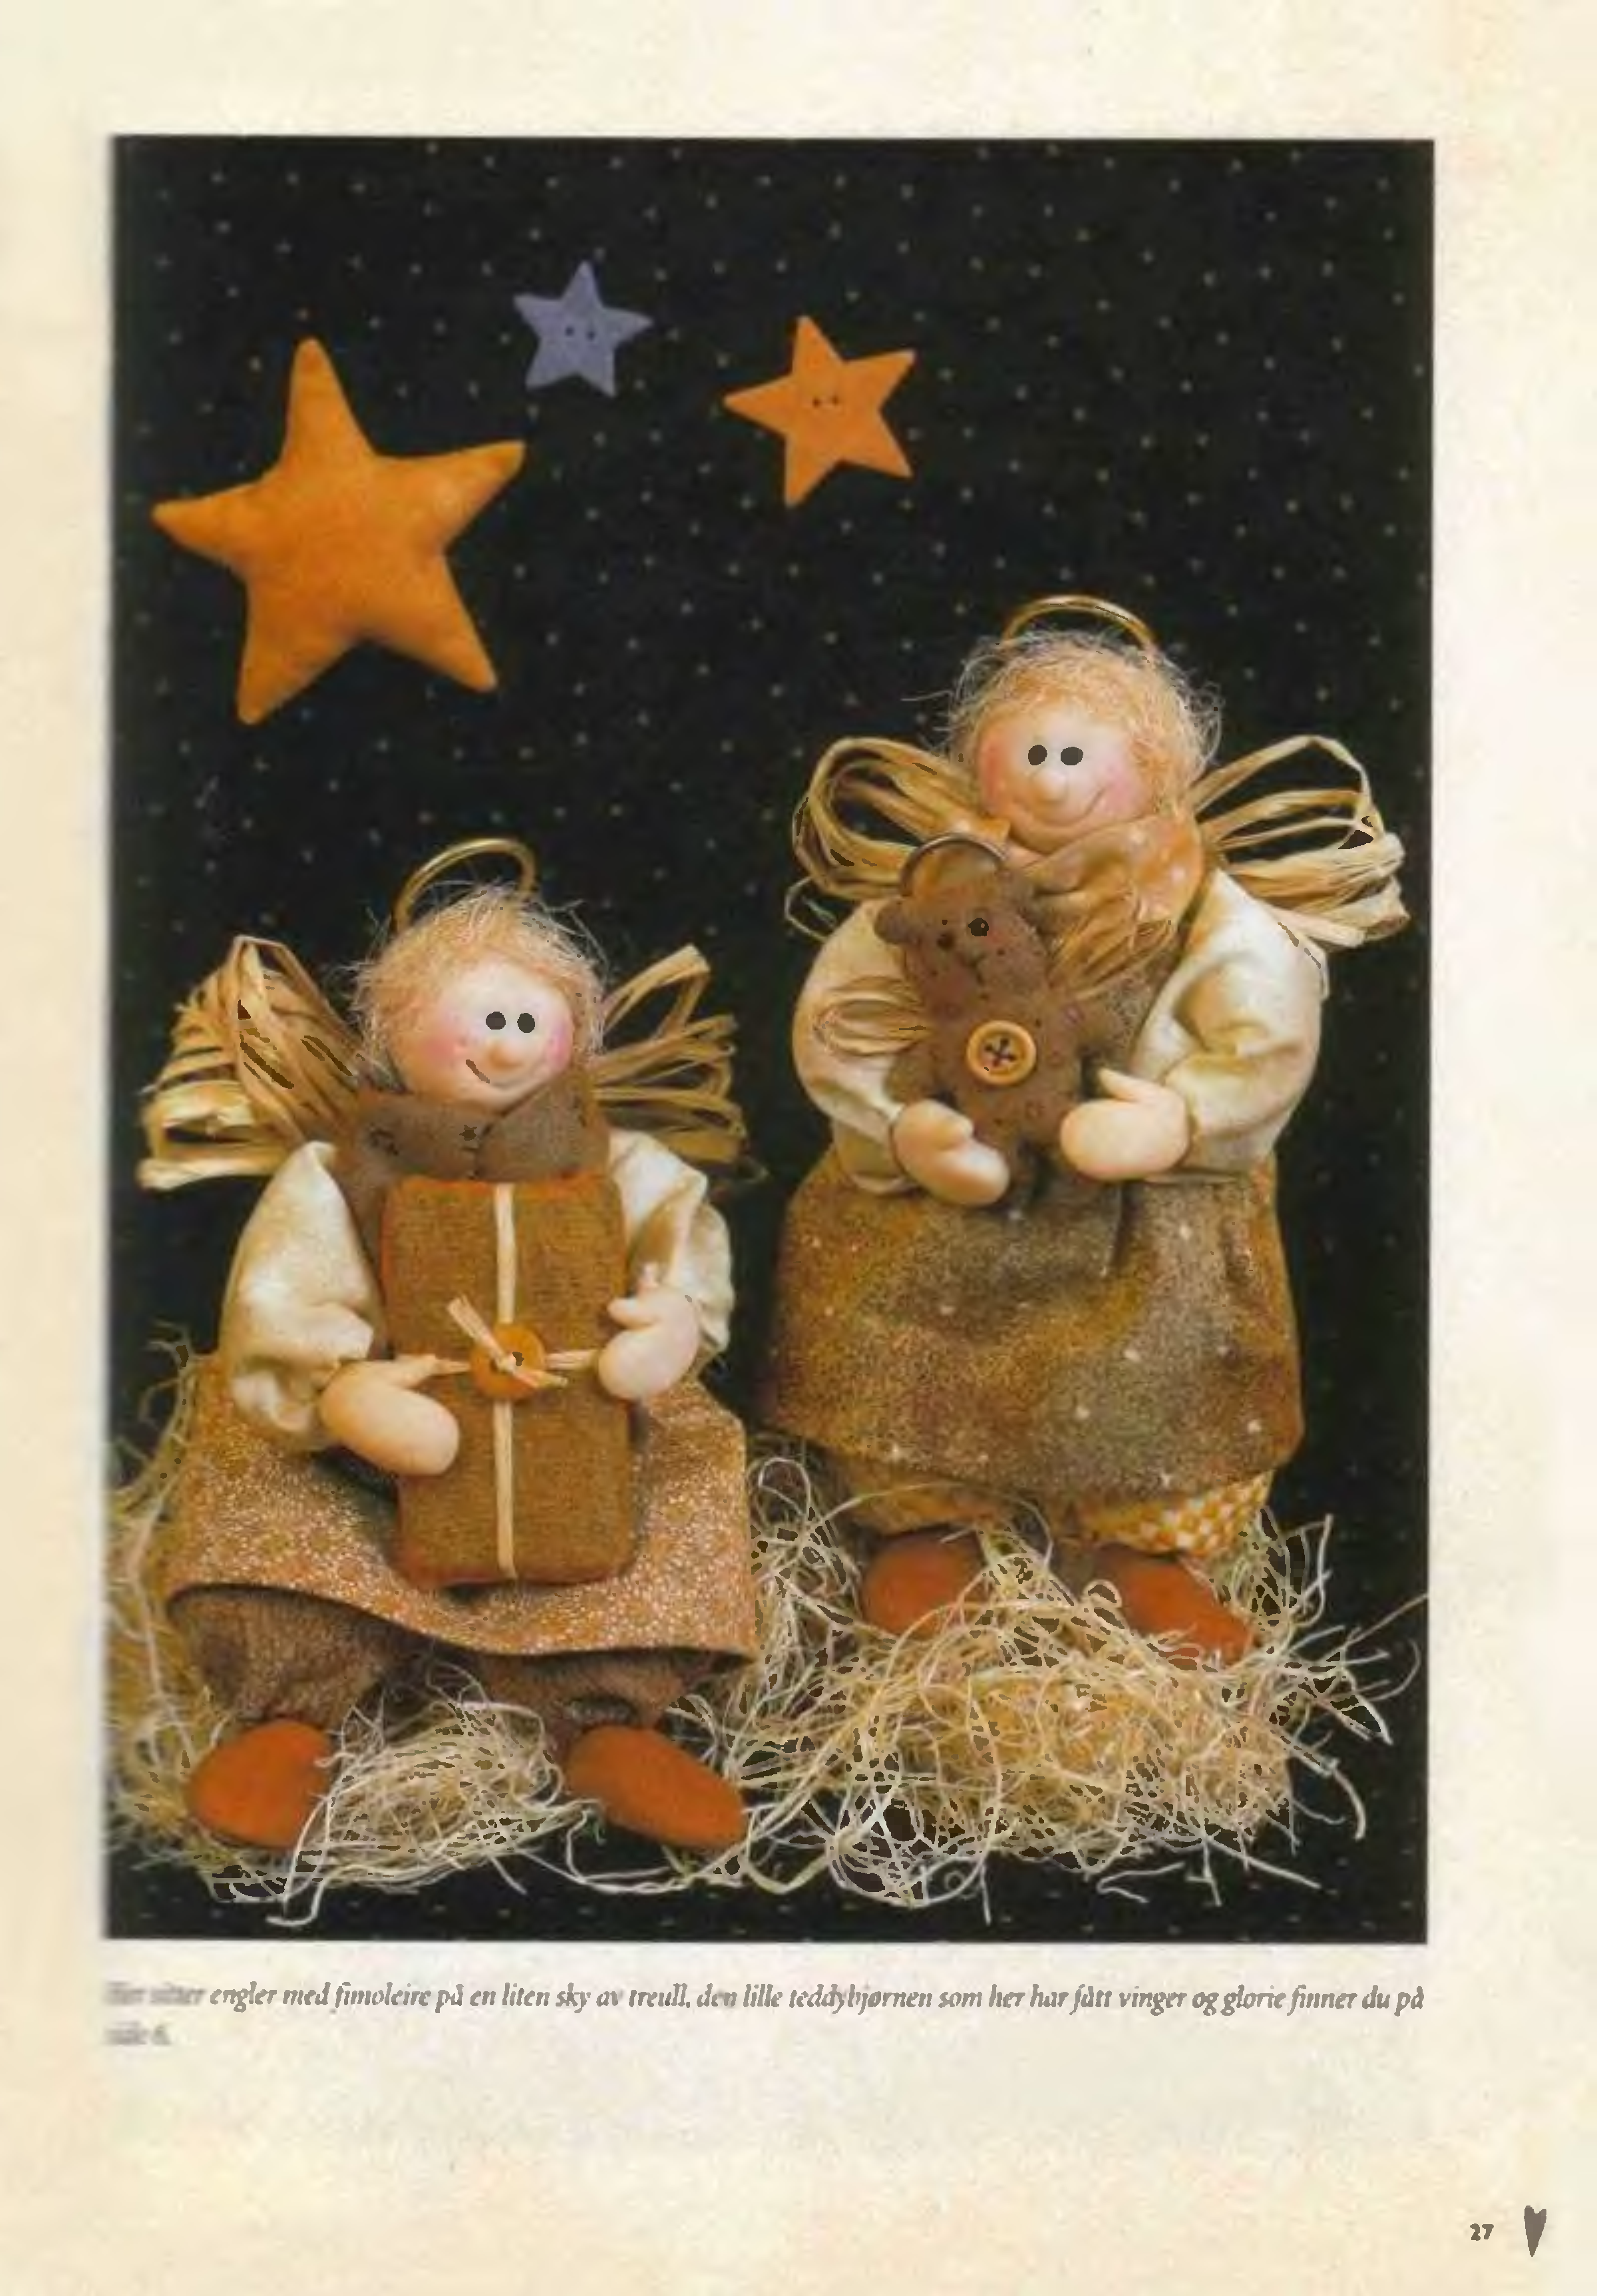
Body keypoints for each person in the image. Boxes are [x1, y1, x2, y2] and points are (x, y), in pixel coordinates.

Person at [761, 598, 1405, 1662]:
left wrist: (1184, 1116)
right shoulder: (935, 886)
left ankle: (1144, 1550)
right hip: (958, 1188)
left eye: (1076, 757)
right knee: (908, 1345)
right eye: (1032, 755)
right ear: (983, 765)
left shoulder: (1199, 902)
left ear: (1154, 772)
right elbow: (846, 1014)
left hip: (1140, 1209)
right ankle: (924, 1525)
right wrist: (901, 1127)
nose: (1053, 781)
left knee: (1165, 1366)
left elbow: (1267, 1020)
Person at [159, 876, 757, 1857]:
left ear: (573, 1040)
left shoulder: (620, 1163)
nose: (508, 1046)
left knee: (685, 1492)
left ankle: (606, 1720)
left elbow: (680, 1251)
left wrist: (672, 1323)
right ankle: (291, 1717)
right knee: (264, 1495)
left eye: (528, 1023)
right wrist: (342, 1390)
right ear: (395, 1036)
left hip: (583, 1438)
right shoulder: (341, 1173)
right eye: (483, 1020)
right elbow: (290, 1288)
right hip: (368, 1459)